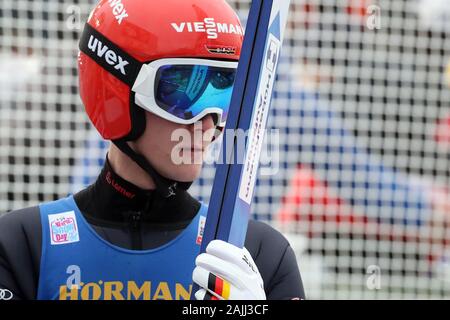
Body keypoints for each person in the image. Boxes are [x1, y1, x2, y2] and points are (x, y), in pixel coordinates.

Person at [0, 0, 304, 300]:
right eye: (183, 94)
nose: (208, 124)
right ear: (118, 94)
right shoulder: (23, 246)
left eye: (224, 92)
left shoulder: (259, 255)